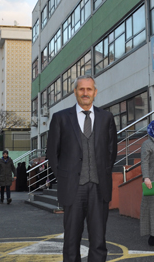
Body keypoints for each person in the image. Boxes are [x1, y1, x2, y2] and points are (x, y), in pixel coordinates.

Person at [47, 75, 117, 262]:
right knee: (71, 240)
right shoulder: (60, 118)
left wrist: (102, 173)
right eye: (81, 89)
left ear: (95, 92)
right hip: (72, 188)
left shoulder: (107, 117)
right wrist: (65, 177)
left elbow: (112, 151)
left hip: (98, 188)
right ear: (75, 92)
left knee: (98, 240)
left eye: (89, 89)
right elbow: (52, 154)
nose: (85, 93)